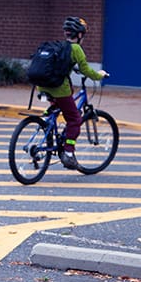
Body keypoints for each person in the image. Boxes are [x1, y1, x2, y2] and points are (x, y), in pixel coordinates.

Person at [37, 17, 108, 170]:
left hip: (42, 86)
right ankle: (69, 152)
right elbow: (86, 70)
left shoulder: (59, 46)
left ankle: (48, 119)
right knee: (75, 119)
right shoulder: (76, 49)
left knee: (58, 104)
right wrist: (99, 75)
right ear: (80, 35)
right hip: (59, 89)